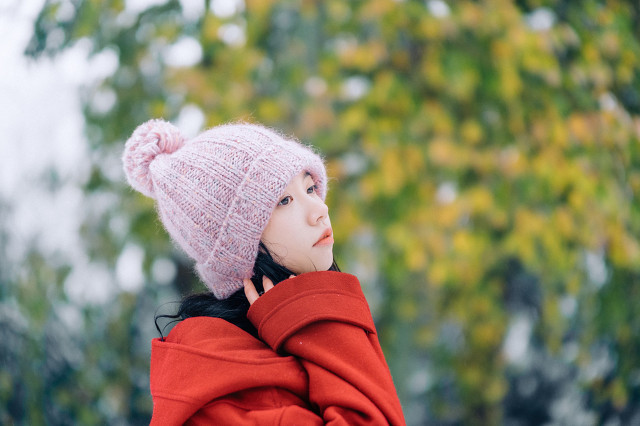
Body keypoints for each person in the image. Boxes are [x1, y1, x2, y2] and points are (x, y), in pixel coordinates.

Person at [122, 119, 406, 425]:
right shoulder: (230, 391)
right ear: (237, 247)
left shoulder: (280, 342)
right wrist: (319, 327)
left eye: (310, 188)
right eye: (284, 200)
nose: (319, 209)